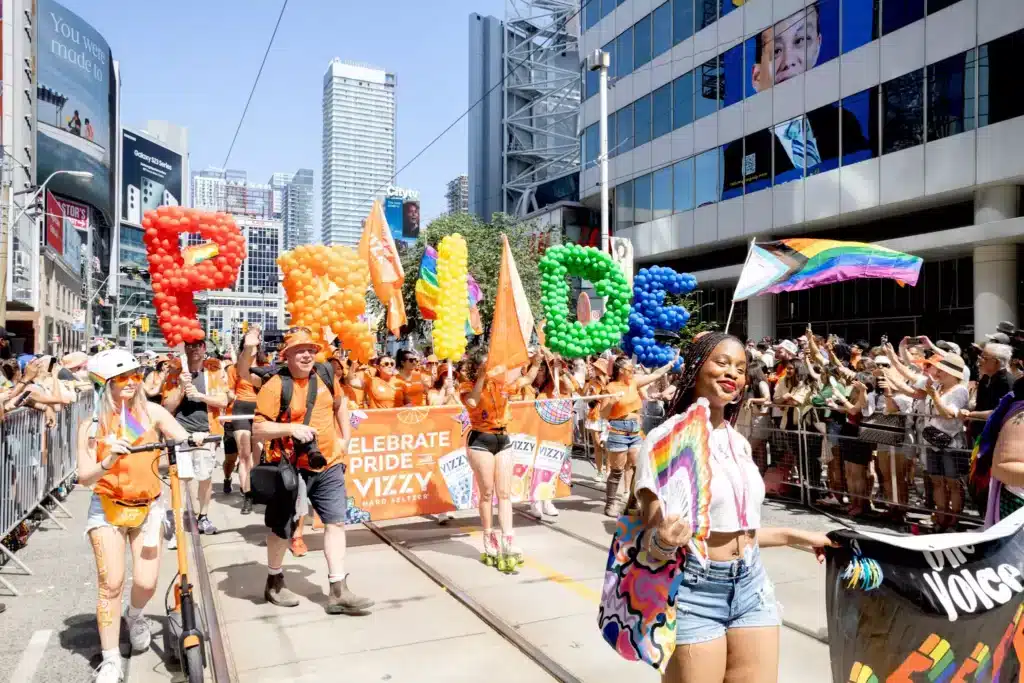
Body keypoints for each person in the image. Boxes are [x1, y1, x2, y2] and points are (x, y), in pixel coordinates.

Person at [634, 332, 834, 683]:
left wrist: (797, 535)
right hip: (695, 589)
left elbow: (742, 530)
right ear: (696, 369)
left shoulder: (739, 442)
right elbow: (651, 544)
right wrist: (665, 540)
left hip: (752, 584)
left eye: (740, 368)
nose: (733, 374)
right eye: (722, 363)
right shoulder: (664, 442)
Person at [77, 349, 191, 683]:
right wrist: (108, 460)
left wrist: (191, 440)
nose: (130, 382)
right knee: (110, 584)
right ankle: (111, 659)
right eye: (121, 378)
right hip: (108, 509)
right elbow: (84, 476)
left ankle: (135, 615)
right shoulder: (92, 426)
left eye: (134, 375)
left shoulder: (151, 412)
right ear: (104, 384)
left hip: (149, 507)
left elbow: (181, 435)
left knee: (146, 582)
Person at [252, 327, 373, 614]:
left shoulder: (326, 375)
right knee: (282, 529)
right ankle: (275, 580)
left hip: (328, 463)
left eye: (311, 350)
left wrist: (345, 439)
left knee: (336, 522)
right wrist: (290, 428)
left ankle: (337, 590)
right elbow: (258, 429)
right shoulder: (275, 386)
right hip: (290, 468)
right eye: (300, 350)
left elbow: (340, 405)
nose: (307, 355)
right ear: (287, 355)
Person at [162, 338, 231, 540]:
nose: (194, 349)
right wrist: (182, 388)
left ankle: (203, 516)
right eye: (190, 345)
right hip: (179, 433)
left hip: (206, 433)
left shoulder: (214, 371)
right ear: (185, 348)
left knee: (204, 477)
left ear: (204, 348)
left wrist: (200, 396)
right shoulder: (175, 374)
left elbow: (223, 401)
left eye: (199, 345)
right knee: (181, 479)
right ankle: (177, 521)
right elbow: (167, 407)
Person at [460, 351, 520, 567]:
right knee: (487, 493)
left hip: (502, 437)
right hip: (480, 440)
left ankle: (508, 539)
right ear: (477, 367)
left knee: (504, 493)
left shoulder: (502, 385)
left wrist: (536, 363)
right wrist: (482, 378)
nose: (493, 369)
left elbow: (524, 380)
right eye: (487, 366)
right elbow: (473, 402)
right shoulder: (467, 385)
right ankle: (488, 536)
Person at [599, 354, 677, 517]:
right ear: (621, 370)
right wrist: (612, 402)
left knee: (638, 467)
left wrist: (670, 365)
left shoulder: (634, 382)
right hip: (618, 430)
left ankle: (633, 502)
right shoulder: (610, 388)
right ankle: (610, 504)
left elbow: (655, 375)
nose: (633, 369)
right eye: (629, 367)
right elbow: (604, 414)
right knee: (617, 470)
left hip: (635, 430)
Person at [228, 331, 270, 514]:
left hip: (260, 410)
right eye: (248, 342)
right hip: (240, 410)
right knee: (244, 454)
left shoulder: (266, 366)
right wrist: (228, 397)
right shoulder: (233, 368)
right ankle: (247, 495)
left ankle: (257, 489)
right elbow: (230, 391)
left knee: (257, 455)